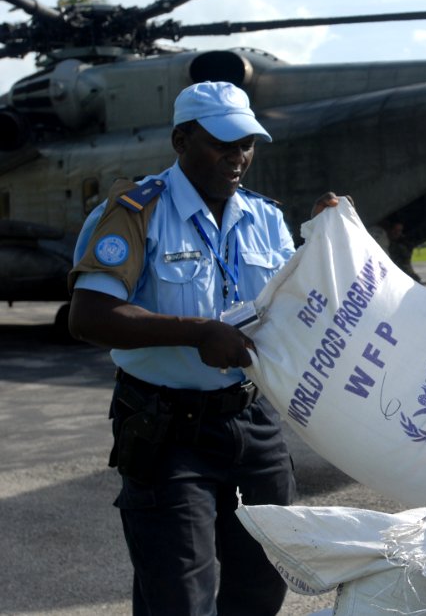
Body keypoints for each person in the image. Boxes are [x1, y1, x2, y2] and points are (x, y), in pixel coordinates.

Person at [68, 81, 341, 615]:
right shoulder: (137, 213)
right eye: (222, 142)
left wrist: (327, 245)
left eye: (246, 143)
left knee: (261, 590)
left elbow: (290, 311)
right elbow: (90, 316)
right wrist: (197, 332)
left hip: (253, 424)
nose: (237, 156)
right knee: (179, 599)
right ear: (181, 141)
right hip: (168, 431)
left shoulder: (265, 217)